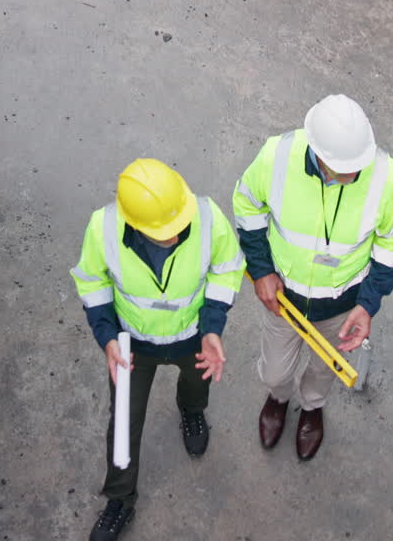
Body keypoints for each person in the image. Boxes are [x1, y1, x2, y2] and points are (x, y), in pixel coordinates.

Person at [71, 159, 246, 541]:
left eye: (176, 225)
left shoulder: (206, 215)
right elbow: (92, 283)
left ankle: (192, 411)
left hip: (193, 336)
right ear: (132, 222)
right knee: (123, 424)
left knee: (198, 384)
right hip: (133, 344)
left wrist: (212, 328)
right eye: (162, 232)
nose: (173, 235)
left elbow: (227, 268)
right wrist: (108, 338)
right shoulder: (102, 228)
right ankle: (120, 498)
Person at [233, 94, 393, 460]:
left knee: (323, 369)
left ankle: (312, 409)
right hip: (283, 299)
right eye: (343, 168)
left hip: (342, 307)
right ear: (317, 154)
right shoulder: (276, 156)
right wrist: (261, 270)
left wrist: (367, 304)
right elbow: (247, 204)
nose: (354, 174)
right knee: (274, 371)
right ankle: (278, 398)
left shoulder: (385, 176)